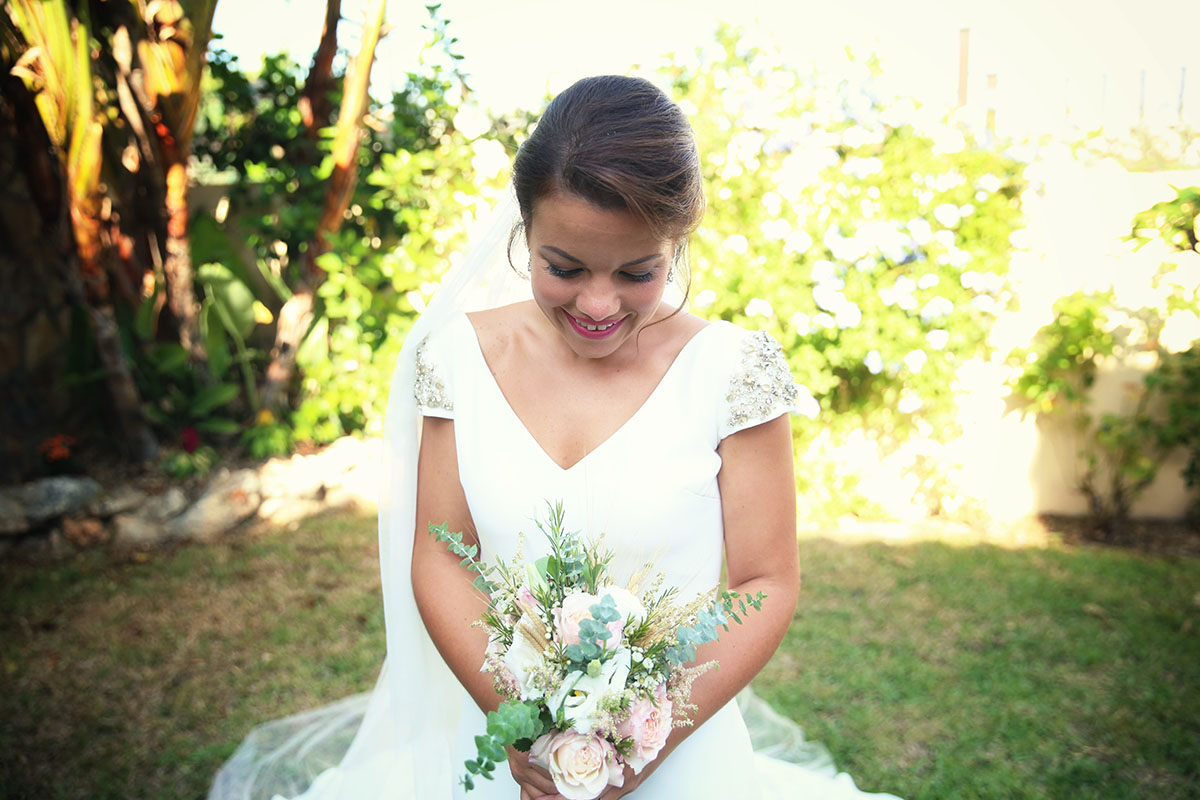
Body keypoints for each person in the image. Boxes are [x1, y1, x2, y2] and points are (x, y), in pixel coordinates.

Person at [209, 75, 900, 800]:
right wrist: (530, 734)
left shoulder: (732, 372)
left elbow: (765, 583)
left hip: (681, 757)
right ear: (525, 234)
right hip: (500, 751)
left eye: (637, 272)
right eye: (564, 268)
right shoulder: (459, 358)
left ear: (675, 244)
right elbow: (441, 554)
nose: (598, 304)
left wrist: (640, 744)